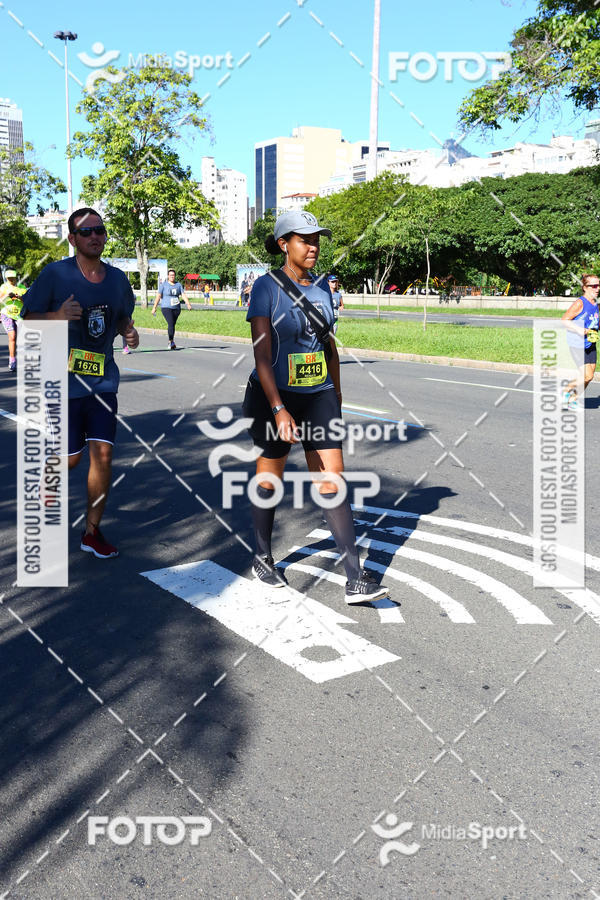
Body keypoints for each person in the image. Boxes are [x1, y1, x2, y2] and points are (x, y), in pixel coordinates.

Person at [243, 210, 389, 604]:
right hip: (275, 394)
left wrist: (337, 394)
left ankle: (355, 578)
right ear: (283, 244)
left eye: (316, 239)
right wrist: (278, 408)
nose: (313, 246)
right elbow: (261, 354)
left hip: (319, 392)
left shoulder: (324, 287)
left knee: (332, 480)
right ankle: (262, 555)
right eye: (303, 239)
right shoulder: (266, 287)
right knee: (270, 477)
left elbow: (328, 344)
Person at [21, 207, 139, 559]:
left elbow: (122, 319)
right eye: (85, 232)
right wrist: (57, 316)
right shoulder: (56, 275)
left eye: (99, 230)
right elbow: (27, 320)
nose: (94, 236)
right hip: (63, 386)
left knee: (102, 453)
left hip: (102, 383)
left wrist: (128, 332)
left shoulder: (117, 279)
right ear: (72, 239)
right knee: (68, 459)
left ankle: (92, 532)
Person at [562, 273, 600, 409]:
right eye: (593, 286)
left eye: (599, 285)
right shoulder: (580, 303)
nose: (597, 288)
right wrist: (581, 330)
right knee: (586, 375)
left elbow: (594, 321)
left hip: (591, 343)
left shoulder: (596, 303)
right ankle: (566, 392)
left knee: (589, 377)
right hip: (577, 343)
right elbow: (565, 320)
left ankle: (571, 399)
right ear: (585, 287)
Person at [151, 268, 192, 349]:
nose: (172, 277)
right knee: (170, 323)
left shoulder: (178, 285)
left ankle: (172, 341)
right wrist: (154, 307)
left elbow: (183, 295)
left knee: (172, 325)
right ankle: (170, 341)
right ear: (168, 276)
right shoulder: (164, 285)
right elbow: (158, 296)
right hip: (166, 307)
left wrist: (188, 304)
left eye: (173, 275)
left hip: (176, 308)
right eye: (170, 275)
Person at [0, 269, 26, 371]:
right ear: (6, 278)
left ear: (16, 277)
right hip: (7, 314)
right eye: (9, 278)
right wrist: (7, 295)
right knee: (12, 336)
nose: (11, 280)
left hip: (19, 315)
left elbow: (27, 301)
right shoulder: (3, 287)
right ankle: (12, 360)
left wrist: (19, 297)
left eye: (12, 278)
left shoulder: (22, 288)